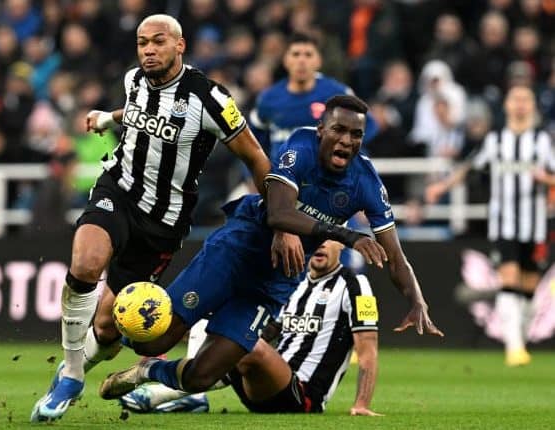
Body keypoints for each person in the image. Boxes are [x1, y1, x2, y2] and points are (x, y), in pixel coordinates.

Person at [98, 95, 443, 404]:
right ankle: (104, 335)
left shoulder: (366, 181)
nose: (346, 141)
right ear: (321, 129)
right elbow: (278, 213)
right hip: (236, 250)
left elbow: (396, 258)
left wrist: (417, 300)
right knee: (153, 342)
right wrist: (348, 235)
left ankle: (144, 373)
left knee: (200, 377)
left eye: (356, 135)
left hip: (274, 280)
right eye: (339, 130)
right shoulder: (301, 145)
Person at [31, 14, 278, 422]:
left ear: (180, 45)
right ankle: (71, 376)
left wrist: (278, 219)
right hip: (118, 190)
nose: (148, 50)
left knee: (109, 327)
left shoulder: (210, 99)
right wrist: (107, 118)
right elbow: (136, 112)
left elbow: (254, 155)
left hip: (163, 222)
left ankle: (78, 364)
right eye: (142, 42)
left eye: (158, 41)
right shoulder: (134, 79)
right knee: (86, 263)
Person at [119, 240, 382, 415]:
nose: (322, 243)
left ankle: (168, 384)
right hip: (261, 387)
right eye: (318, 237)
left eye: (330, 237)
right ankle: (189, 393)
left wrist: (361, 404)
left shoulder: (355, 285)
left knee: (242, 340)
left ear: (341, 242)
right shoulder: (296, 282)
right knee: (216, 319)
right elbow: (268, 330)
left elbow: (368, 349)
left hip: (302, 397)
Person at [425, 84, 554, 366]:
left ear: (533, 105)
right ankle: (514, 348)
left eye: (525, 99)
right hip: (504, 223)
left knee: (530, 289)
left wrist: (545, 179)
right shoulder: (495, 140)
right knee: (508, 279)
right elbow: (469, 167)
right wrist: (441, 187)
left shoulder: (543, 141)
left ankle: (519, 338)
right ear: (507, 105)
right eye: (515, 99)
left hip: (535, 226)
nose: (520, 104)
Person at [249, 32, 377, 166]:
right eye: (296, 54)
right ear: (285, 60)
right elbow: (253, 140)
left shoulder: (338, 94)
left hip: (327, 176)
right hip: (284, 175)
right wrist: (252, 171)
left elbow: (369, 126)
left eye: (308, 55)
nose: (301, 61)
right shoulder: (268, 98)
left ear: (319, 61)